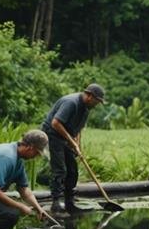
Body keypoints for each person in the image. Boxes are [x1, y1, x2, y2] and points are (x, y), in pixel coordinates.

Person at [42, 83, 106, 214]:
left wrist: (77, 146)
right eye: (97, 101)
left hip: (65, 136)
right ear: (89, 96)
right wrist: (71, 141)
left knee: (73, 170)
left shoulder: (86, 109)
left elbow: (78, 129)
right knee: (60, 169)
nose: (97, 104)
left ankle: (69, 203)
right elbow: (56, 123)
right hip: (52, 134)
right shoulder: (71, 103)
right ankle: (55, 203)